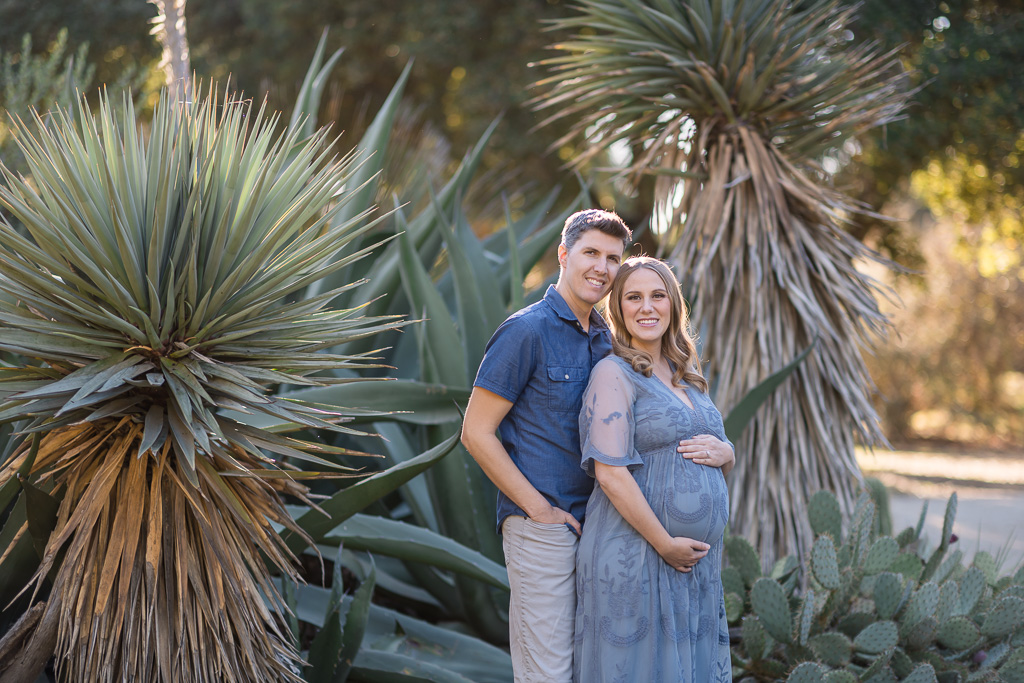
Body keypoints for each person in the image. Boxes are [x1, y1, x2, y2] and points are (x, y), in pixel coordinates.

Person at [461, 209, 632, 683]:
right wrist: (538, 509)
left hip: (599, 529)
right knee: (547, 675)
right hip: (545, 529)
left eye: (613, 258)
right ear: (563, 254)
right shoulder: (525, 331)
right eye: (591, 253)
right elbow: (475, 432)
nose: (602, 267)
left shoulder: (605, 340)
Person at [574, 256, 735, 683]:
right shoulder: (613, 373)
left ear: (673, 305)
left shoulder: (686, 374)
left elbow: (709, 446)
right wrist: (664, 543)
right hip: (637, 557)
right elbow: (609, 473)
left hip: (692, 566)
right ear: (619, 310)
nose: (647, 307)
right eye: (634, 297)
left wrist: (728, 453)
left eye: (658, 295)